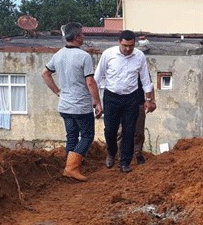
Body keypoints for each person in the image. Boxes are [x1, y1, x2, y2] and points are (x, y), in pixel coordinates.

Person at [42, 22, 103, 182]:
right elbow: (90, 82)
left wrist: (57, 92)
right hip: (80, 105)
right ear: (76, 36)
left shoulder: (59, 54)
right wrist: (97, 102)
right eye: (82, 34)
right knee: (87, 136)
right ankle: (71, 168)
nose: (83, 36)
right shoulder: (84, 56)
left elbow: (45, 73)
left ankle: (68, 168)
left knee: (71, 137)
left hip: (65, 104)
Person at [95, 30, 155, 173]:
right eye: (124, 46)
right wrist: (95, 101)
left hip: (131, 98)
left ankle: (124, 162)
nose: (127, 49)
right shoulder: (108, 54)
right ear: (119, 42)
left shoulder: (139, 56)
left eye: (130, 46)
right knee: (110, 130)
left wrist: (149, 100)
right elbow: (97, 78)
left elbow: (146, 80)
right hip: (111, 97)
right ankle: (111, 153)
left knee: (129, 131)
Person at [117, 76, 156, 165]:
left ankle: (138, 154)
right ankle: (121, 156)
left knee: (138, 131)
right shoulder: (117, 64)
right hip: (122, 103)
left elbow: (148, 83)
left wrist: (151, 100)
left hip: (138, 102)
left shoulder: (140, 64)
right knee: (121, 131)